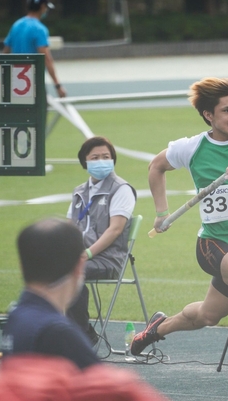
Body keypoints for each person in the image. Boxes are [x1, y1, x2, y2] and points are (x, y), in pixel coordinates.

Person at [134, 77, 228, 382]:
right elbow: (156, 166)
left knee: (207, 315)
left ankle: (156, 329)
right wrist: (161, 213)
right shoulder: (191, 147)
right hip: (212, 244)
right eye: (227, 110)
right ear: (209, 115)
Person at [2, 218, 100, 370]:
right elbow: (102, 385)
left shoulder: (15, 316)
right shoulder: (59, 333)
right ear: (79, 267)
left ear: (22, 267)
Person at [66, 136, 136, 342]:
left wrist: (86, 254)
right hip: (80, 257)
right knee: (46, 270)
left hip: (108, 260)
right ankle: (62, 332)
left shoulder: (121, 189)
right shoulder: (79, 192)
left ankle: (81, 336)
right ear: (84, 162)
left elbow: (115, 230)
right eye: (95, 157)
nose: (101, 161)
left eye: (106, 157)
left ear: (113, 160)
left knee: (71, 274)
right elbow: (70, 227)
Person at [3, 0, 66, 98]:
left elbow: (5, 52)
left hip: (14, 82)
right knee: (39, 113)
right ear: (42, 6)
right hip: (32, 81)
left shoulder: (16, 25)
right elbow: (46, 58)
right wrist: (57, 85)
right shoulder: (39, 29)